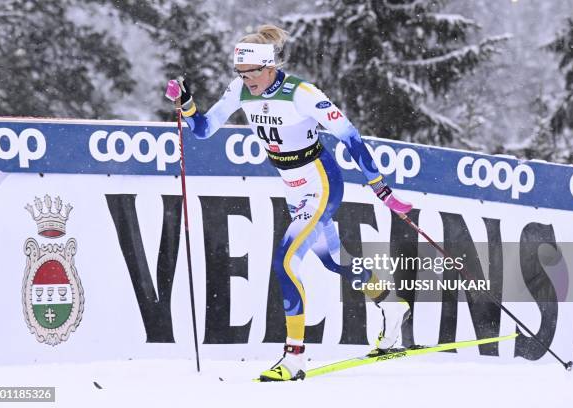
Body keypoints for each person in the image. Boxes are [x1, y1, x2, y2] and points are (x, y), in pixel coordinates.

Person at [166, 24, 412, 381]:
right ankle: (392, 306)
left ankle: (294, 359)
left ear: (270, 66)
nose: (246, 80)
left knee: (284, 262)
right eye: (240, 73)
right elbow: (204, 130)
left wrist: (380, 186)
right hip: (294, 186)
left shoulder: (302, 93)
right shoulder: (240, 91)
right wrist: (186, 103)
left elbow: (350, 136)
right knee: (335, 262)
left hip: (322, 182)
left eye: (252, 73)